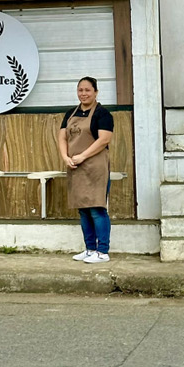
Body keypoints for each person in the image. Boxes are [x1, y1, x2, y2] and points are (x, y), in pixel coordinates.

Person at [58, 77, 114, 263]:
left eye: (87, 90)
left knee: (97, 208)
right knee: (83, 209)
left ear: (96, 92)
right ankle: (90, 249)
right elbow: (62, 137)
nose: (83, 94)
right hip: (76, 166)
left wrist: (83, 156)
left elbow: (104, 139)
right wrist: (65, 157)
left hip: (95, 167)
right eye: (80, 90)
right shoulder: (70, 113)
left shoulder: (102, 114)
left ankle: (102, 251)